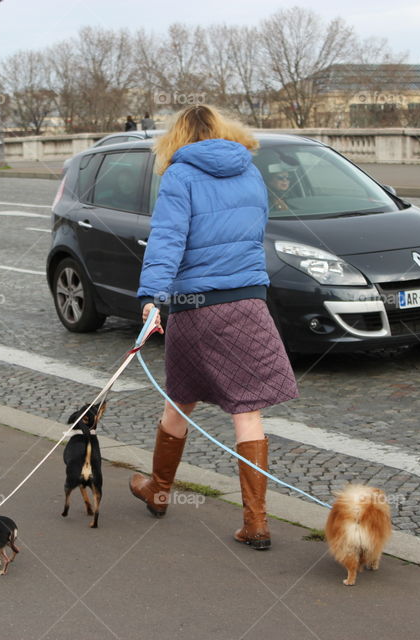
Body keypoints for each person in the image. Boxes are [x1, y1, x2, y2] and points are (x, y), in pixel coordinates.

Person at [130, 104, 298, 551]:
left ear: (177, 137)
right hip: (247, 302)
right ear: (224, 131)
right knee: (248, 411)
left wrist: (152, 299)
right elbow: (253, 231)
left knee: (180, 400)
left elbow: (167, 241)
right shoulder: (250, 173)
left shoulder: (180, 177)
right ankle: (256, 522)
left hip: (196, 305)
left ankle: (159, 491)